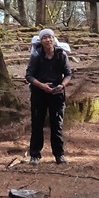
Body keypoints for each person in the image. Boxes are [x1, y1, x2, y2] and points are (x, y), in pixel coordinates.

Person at [25, 28, 71, 164]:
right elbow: (29, 76)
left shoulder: (61, 55)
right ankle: (35, 155)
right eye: (45, 37)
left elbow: (68, 74)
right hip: (39, 94)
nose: (48, 40)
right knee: (37, 124)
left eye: (50, 37)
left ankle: (59, 154)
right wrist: (42, 86)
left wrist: (62, 85)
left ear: (53, 39)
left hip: (57, 94)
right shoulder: (37, 56)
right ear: (41, 40)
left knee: (57, 124)